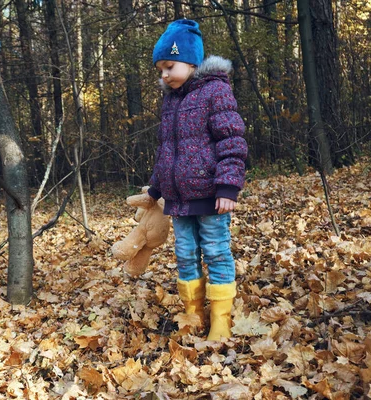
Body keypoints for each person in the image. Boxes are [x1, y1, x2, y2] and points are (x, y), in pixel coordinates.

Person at [147, 19, 248, 341]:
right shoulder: (170, 101)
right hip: (178, 200)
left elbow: (232, 140)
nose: (163, 74)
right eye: (159, 68)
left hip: (211, 195)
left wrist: (228, 185)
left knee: (217, 252)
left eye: (169, 66)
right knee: (185, 253)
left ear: (190, 62)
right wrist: (157, 186)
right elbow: (167, 149)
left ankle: (221, 317)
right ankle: (193, 312)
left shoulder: (216, 92)